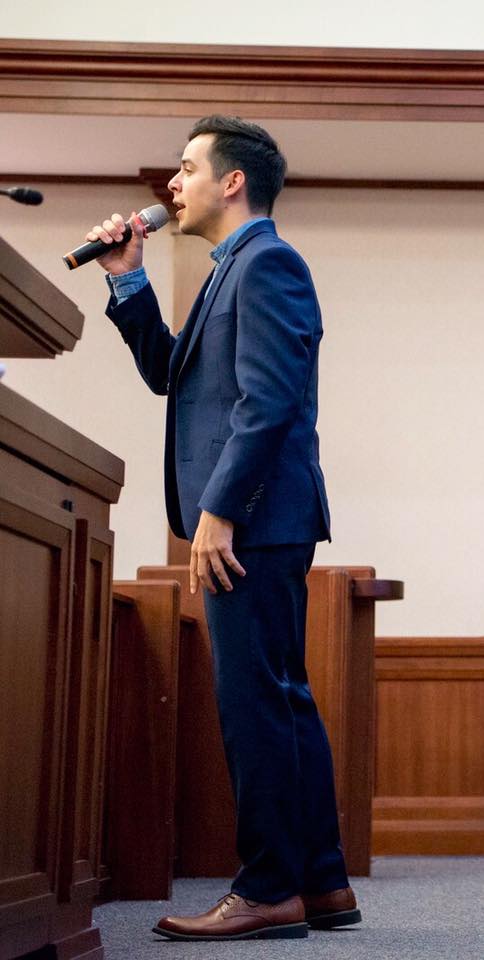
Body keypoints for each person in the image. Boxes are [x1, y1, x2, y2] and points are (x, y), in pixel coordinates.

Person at [87, 115, 361, 942]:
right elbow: (172, 375)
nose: (173, 184)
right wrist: (128, 281)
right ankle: (320, 883)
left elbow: (267, 402)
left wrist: (219, 511)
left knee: (253, 706)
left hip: (255, 517)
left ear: (232, 181)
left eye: (187, 167)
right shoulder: (231, 270)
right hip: (260, 517)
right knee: (279, 698)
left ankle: (268, 889)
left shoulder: (268, 263)